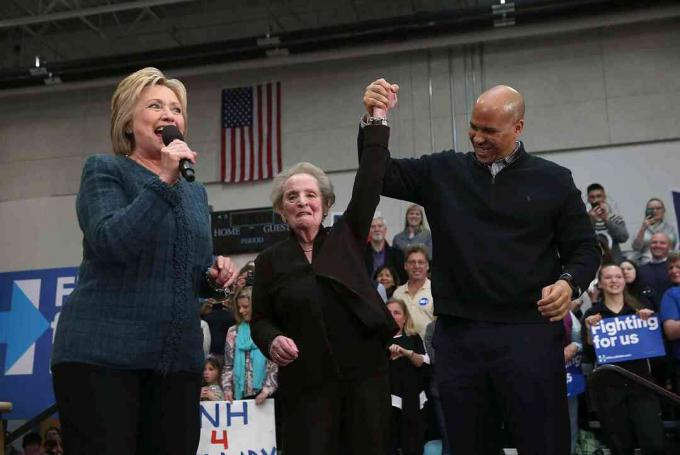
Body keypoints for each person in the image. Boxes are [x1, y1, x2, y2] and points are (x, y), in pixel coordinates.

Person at [361, 80, 600, 455]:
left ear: (518, 127)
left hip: (529, 335)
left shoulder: (553, 180)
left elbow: (585, 248)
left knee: (543, 442)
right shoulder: (443, 171)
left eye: (489, 130)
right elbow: (380, 173)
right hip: (459, 338)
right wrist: (375, 120)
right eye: (473, 127)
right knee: (469, 444)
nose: (477, 137)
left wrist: (570, 284)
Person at [51, 67, 236, 455]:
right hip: (103, 358)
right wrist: (164, 182)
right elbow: (111, 242)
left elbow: (193, 270)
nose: (170, 115)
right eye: (155, 106)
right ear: (128, 123)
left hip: (177, 363)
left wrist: (214, 276)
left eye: (176, 108)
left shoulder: (195, 192)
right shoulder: (105, 170)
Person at [251, 124, 398, 455]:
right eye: (292, 196)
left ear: (326, 204)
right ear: (281, 210)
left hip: (364, 381)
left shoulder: (346, 238)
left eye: (310, 195)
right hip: (306, 389)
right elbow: (259, 319)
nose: (302, 201)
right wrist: (272, 339)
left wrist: (376, 123)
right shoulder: (269, 261)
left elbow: (369, 183)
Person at [582, 264, 665, 455]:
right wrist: (589, 330)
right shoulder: (593, 314)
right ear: (600, 283)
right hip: (609, 389)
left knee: (654, 444)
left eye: (618, 277)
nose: (614, 281)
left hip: (641, 385)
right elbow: (589, 355)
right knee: (620, 447)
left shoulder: (640, 309)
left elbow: (657, 350)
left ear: (624, 280)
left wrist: (649, 324)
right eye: (608, 277)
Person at [386, 298, 429, 455]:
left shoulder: (414, 338)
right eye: (388, 313)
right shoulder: (377, 340)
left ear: (405, 318)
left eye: (396, 313)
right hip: (387, 401)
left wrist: (408, 353)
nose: (392, 316)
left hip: (413, 400)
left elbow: (424, 363)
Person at [222, 287, 277, 404]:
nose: (241, 311)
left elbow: (274, 363)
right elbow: (228, 365)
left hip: (267, 396)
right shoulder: (233, 332)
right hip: (240, 395)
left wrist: (266, 390)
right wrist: (227, 389)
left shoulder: (268, 330)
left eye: (245, 307)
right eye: (239, 307)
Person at [392, 245, 434, 339]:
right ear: (405, 266)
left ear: (427, 266)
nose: (416, 266)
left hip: (429, 350)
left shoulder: (435, 291)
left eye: (421, 262)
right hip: (403, 348)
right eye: (412, 262)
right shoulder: (397, 293)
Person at [586, 183, 629, 264]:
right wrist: (591, 221)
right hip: (592, 264)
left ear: (604, 197)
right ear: (588, 199)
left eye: (599, 196)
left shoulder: (615, 218)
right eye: (592, 197)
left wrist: (606, 220)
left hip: (615, 263)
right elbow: (583, 240)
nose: (596, 200)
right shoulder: (583, 220)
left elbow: (624, 237)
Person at [632, 198, 678, 264]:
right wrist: (643, 229)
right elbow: (636, 248)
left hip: (667, 263)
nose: (655, 211)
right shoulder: (641, 228)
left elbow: (674, 248)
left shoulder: (670, 228)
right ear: (647, 211)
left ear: (664, 210)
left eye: (658, 208)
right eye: (651, 209)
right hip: (646, 263)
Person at [659, 252, 680, 394]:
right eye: (670, 268)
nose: (673, 271)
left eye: (678, 266)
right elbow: (671, 331)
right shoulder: (671, 294)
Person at [638, 232, 675, 310]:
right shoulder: (640, 270)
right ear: (649, 246)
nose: (658, 245)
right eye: (654, 242)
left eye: (662, 243)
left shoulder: (676, 269)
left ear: (670, 247)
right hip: (650, 317)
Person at [365, 217, 407, 284]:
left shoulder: (398, 254)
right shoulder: (359, 254)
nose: (376, 229)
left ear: (385, 230)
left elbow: (402, 279)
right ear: (368, 231)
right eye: (373, 227)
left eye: (380, 226)